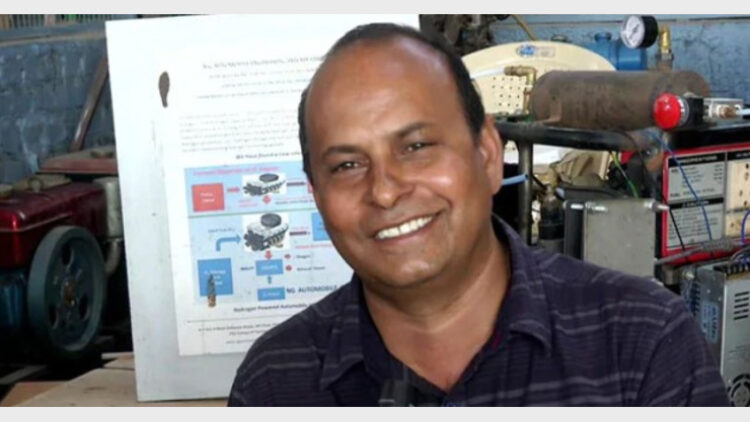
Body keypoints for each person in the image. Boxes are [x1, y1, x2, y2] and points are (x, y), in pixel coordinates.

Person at [228, 23, 729, 406]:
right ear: (316, 195)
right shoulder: (277, 383)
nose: (384, 191)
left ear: (488, 155)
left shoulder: (642, 345)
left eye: (417, 146)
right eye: (347, 165)